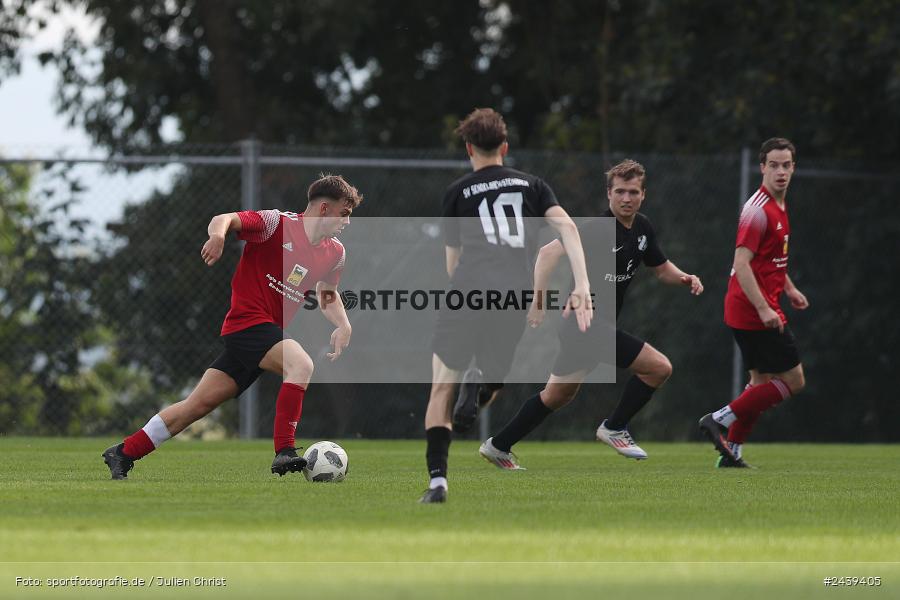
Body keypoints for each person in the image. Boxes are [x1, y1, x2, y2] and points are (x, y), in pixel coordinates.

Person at [102, 175, 362, 480]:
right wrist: (218, 236)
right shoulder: (275, 224)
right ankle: (285, 451)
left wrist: (343, 323)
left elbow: (326, 293)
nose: (347, 222)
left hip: (263, 334)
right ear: (322, 209)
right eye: (344, 214)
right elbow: (223, 219)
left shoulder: (336, 253)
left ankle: (123, 452)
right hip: (247, 324)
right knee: (301, 364)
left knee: (195, 406)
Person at [479, 159, 704, 469]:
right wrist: (538, 301)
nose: (627, 199)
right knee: (659, 368)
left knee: (556, 396)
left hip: (592, 327)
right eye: (620, 192)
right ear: (609, 194)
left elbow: (661, 268)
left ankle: (498, 445)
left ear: (643, 195)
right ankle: (615, 427)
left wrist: (684, 277)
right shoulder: (598, 229)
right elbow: (547, 254)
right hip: (583, 324)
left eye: (633, 192)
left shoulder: (642, 228)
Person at [420, 108, 592, 503]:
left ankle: (437, 482)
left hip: (468, 290)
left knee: (440, 389)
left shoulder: (457, 192)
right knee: (494, 381)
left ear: (468, 148)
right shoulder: (533, 186)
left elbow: (451, 264)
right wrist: (581, 282)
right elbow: (567, 227)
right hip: (515, 294)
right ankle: (479, 386)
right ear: (505, 147)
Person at [699, 138, 808, 468]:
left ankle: (732, 454)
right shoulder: (758, 210)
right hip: (752, 310)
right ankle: (719, 419)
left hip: (752, 306)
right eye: (773, 165)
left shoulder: (780, 205)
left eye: (786, 165)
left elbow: (771, 259)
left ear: (793, 168)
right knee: (794, 380)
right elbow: (742, 263)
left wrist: (788, 288)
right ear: (762, 167)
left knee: (759, 385)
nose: (780, 172)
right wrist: (764, 308)